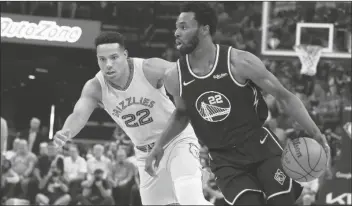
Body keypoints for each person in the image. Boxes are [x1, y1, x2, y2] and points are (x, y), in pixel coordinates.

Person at [145, 2, 330, 205]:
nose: (176, 33)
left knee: (281, 201)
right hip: (225, 160)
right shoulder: (174, 77)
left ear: (204, 29)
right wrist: (159, 146)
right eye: (176, 27)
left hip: (260, 147)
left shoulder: (239, 62)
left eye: (184, 27)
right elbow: (182, 113)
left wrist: (315, 132)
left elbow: (283, 96)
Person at [53, 31, 211, 205]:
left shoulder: (148, 69)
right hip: (146, 152)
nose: (108, 65)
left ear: (125, 55)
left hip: (176, 139)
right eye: (102, 59)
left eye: (114, 57)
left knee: (190, 198)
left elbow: (184, 72)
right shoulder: (95, 87)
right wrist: (66, 131)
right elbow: (78, 115)